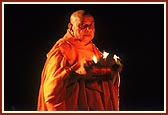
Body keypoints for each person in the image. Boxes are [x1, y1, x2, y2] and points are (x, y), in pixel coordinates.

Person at [37, 10, 122, 111]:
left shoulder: (94, 51)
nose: (88, 29)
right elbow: (51, 90)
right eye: (83, 25)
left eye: (91, 25)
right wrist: (77, 75)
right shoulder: (62, 51)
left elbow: (107, 85)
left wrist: (113, 72)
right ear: (70, 26)